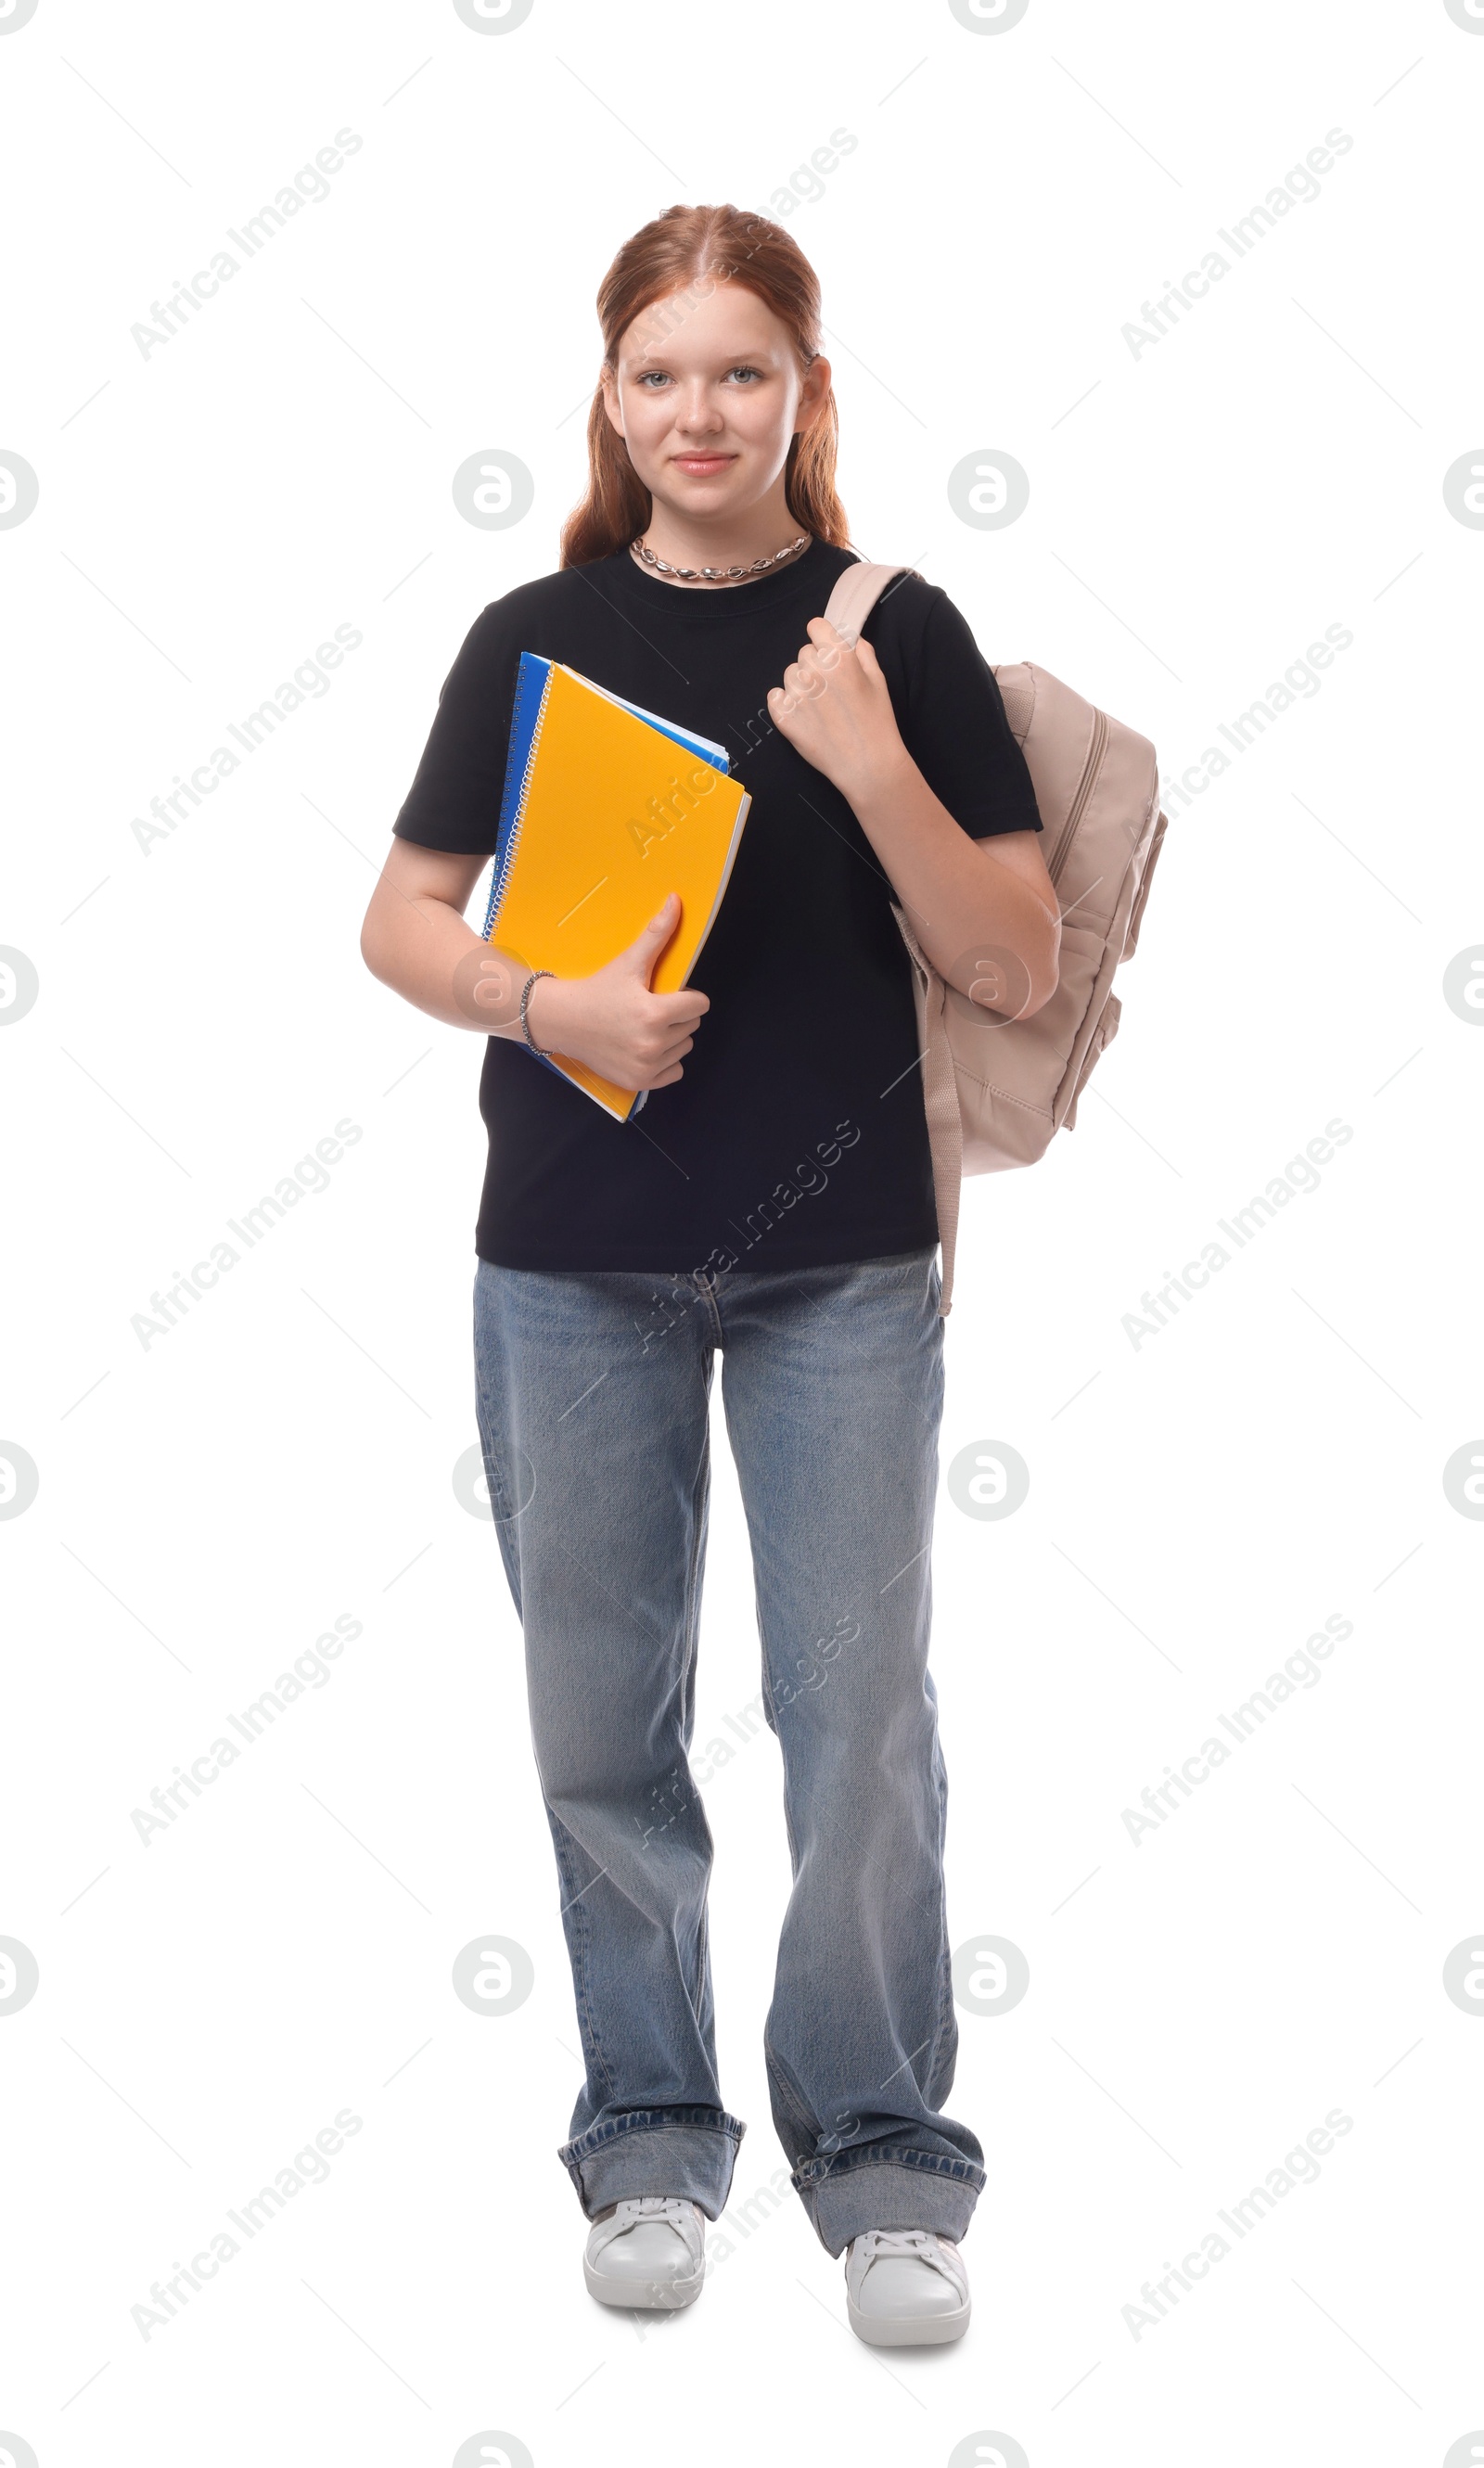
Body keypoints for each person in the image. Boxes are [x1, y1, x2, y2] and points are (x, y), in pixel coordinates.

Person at [360, 203, 1059, 2348]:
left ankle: (881, 2162)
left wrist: (860, 755)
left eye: (739, 370)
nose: (696, 411)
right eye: (656, 373)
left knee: (854, 1720)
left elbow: (1015, 957)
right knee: (600, 1722)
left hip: (838, 1268)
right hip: (568, 1262)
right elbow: (398, 920)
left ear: (803, 392)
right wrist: (539, 1003)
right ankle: (645, 2135)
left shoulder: (894, 632)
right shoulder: (528, 633)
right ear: (607, 394)